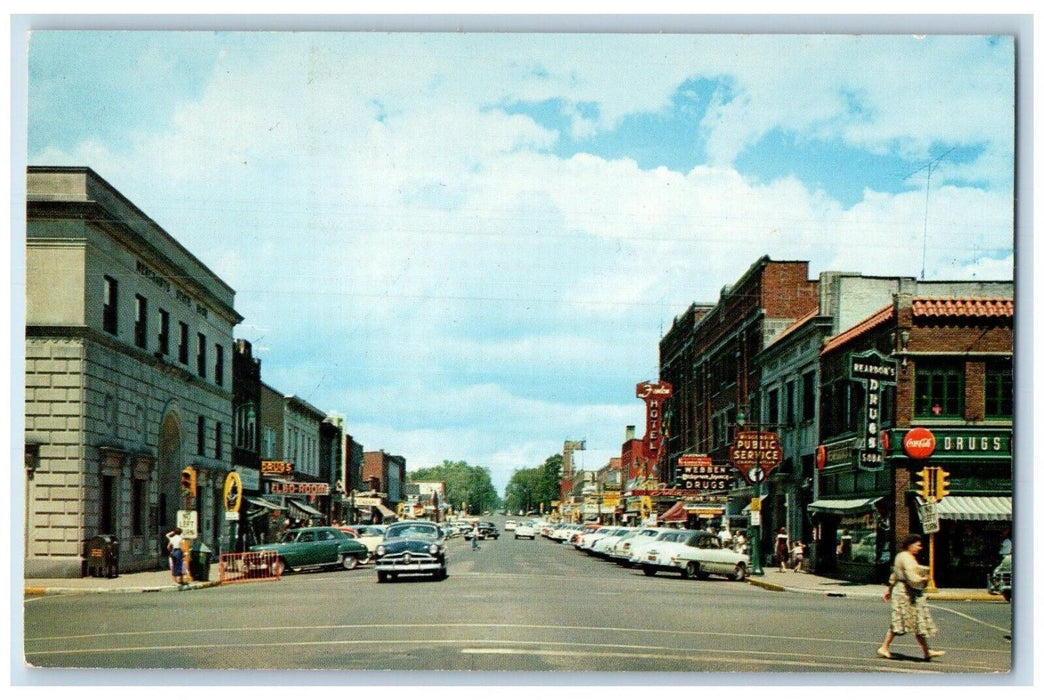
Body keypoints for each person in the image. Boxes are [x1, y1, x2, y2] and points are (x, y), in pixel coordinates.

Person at [877, 534, 945, 661]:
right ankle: (884, 647)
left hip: (904, 591)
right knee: (902, 621)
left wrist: (889, 590)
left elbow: (895, 575)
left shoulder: (902, 556)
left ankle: (926, 651)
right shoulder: (906, 558)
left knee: (914, 621)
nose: (920, 548)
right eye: (918, 545)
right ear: (910, 544)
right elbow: (911, 576)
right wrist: (924, 579)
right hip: (905, 592)